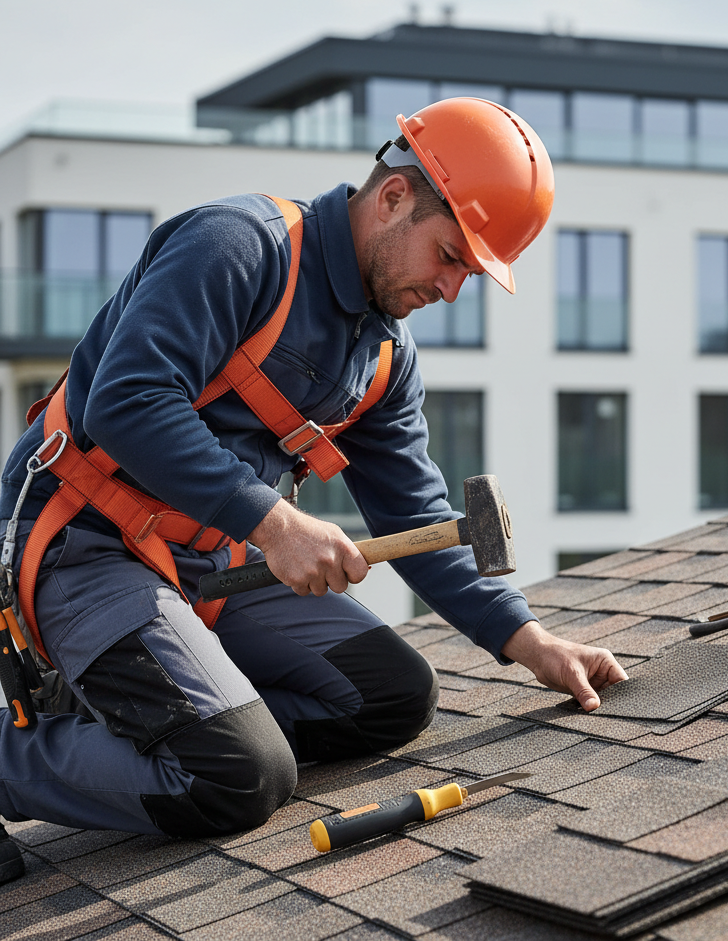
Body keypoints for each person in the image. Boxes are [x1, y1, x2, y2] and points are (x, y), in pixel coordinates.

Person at [0, 97, 627, 883]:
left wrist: (527, 641)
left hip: (211, 569)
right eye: (450, 255)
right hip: (85, 545)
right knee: (235, 778)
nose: (453, 288)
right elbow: (125, 401)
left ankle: (179, 712)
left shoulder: (384, 360)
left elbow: (414, 512)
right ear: (394, 197)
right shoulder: (240, 247)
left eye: (469, 271)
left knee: (393, 697)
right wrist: (270, 521)